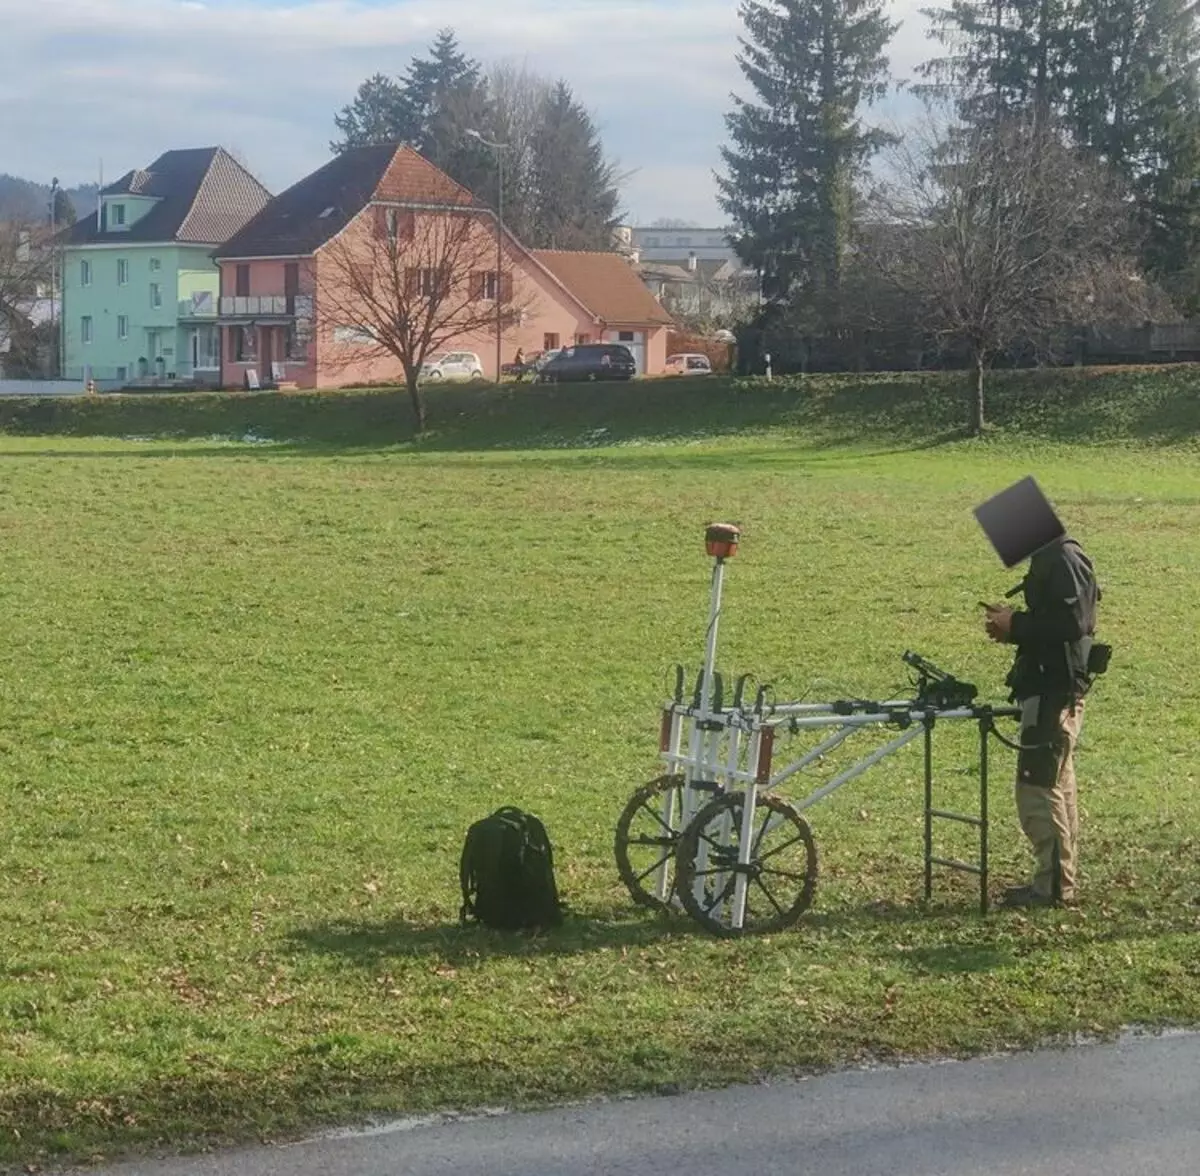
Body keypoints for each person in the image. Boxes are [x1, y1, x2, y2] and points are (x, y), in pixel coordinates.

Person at [982, 534, 1102, 908]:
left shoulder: (1063, 557)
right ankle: (1056, 883)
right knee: (1054, 784)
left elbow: (1070, 624)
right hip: (1053, 688)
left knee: (1037, 786)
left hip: (1055, 692)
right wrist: (1014, 626)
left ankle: (1051, 888)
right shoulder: (1058, 556)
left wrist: (1015, 624)